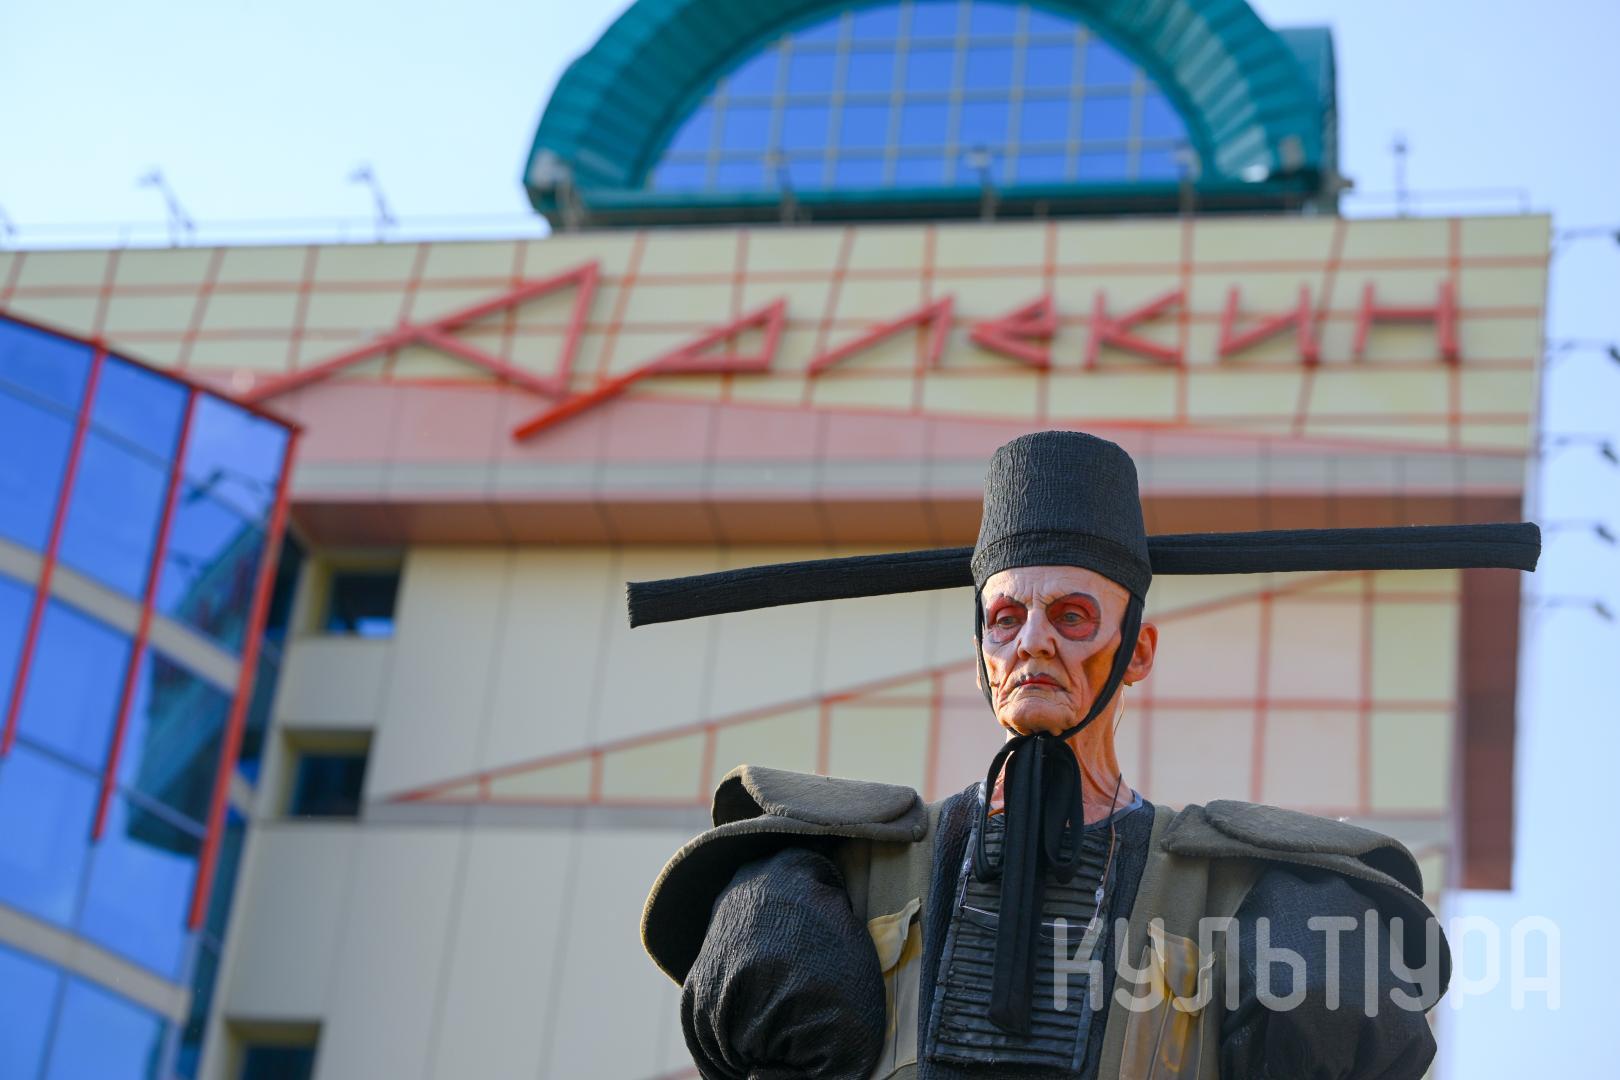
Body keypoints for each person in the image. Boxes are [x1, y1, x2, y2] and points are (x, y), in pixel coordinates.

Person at [634, 430, 1539, 1080]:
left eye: (1072, 616)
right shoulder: (836, 867)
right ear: (981, 653)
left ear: (1137, 651)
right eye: (1005, 618)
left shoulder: (1256, 892)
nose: (1033, 642)